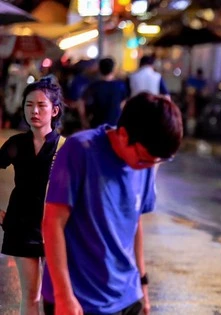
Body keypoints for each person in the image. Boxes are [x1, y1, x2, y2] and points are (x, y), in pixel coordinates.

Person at [41, 92, 183, 315]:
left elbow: (134, 224)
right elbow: (52, 223)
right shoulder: (80, 150)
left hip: (127, 297)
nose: (148, 166)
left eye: (157, 162)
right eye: (144, 158)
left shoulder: (145, 162)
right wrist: (63, 295)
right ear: (124, 135)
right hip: (79, 300)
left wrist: (143, 285)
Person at [0, 78, 64, 315]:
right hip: (21, 227)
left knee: (56, 296)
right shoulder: (16, 144)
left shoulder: (65, 147)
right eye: (29, 105)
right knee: (30, 296)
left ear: (54, 110)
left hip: (56, 230)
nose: (34, 111)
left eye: (41, 105)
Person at [83, 57, 128, 128]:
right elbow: (122, 105)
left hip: (97, 125)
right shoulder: (120, 85)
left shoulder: (93, 86)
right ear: (113, 69)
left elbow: (85, 103)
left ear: (100, 69)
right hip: (114, 124)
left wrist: (84, 121)